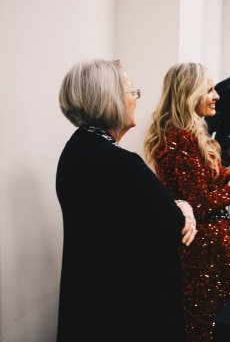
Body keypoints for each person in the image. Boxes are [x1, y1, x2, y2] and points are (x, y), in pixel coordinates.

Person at [56, 60, 197, 341]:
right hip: (129, 303)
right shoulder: (119, 163)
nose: (135, 99)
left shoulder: (77, 149)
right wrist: (183, 206)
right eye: (132, 92)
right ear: (110, 100)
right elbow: (174, 226)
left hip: (93, 295)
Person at [144, 63, 230, 342]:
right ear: (189, 94)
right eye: (210, 90)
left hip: (206, 248)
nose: (217, 96)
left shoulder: (183, 133)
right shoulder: (181, 138)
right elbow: (198, 203)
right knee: (203, 324)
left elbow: (199, 180)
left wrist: (229, 174)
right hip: (200, 249)